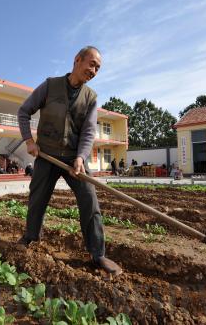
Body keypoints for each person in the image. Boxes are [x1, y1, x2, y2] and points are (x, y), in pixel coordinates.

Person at [17, 46, 122, 275]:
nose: (94, 70)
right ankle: (30, 238)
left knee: (89, 200)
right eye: (92, 64)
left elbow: (88, 132)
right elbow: (24, 111)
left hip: (74, 158)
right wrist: (29, 141)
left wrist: (81, 157)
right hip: (47, 155)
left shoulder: (90, 98)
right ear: (77, 60)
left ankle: (98, 254)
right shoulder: (50, 85)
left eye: (98, 68)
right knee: (37, 199)